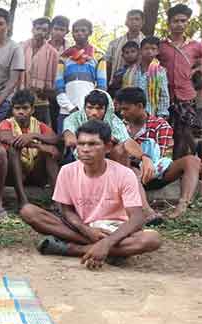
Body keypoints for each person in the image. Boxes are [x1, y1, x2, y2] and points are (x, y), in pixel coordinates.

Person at [20, 120, 161, 269]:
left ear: (107, 147)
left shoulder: (125, 174)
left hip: (114, 230)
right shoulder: (67, 171)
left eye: (93, 144)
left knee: (152, 239)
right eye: (81, 144)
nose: (85, 149)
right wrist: (87, 230)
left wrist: (107, 242)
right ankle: (112, 252)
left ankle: (75, 249)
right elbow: (67, 210)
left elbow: (137, 218)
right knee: (28, 211)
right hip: (81, 228)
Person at [63, 90, 161, 224]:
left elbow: (127, 142)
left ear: (106, 109)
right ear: (84, 107)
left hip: (111, 162)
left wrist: (145, 157)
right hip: (83, 161)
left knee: (124, 157)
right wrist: (99, 143)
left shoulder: (114, 121)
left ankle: (144, 209)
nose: (94, 112)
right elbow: (70, 140)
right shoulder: (73, 118)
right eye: (90, 107)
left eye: (99, 108)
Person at [118, 87, 200, 219]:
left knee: (192, 161)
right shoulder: (120, 126)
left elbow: (162, 159)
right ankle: (147, 211)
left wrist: (142, 160)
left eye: (126, 109)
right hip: (131, 175)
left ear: (140, 106)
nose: (122, 113)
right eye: (120, 109)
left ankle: (183, 204)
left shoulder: (160, 125)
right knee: (131, 170)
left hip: (157, 173)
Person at [0, 90, 60, 207]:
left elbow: (55, 139)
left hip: (35, 174)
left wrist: (33, 135)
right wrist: (38, 145)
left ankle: (57, 202)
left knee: (50, 152)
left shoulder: (39, 125)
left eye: (25, 108)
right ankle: (22, 200)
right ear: (12, 110)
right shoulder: (6, 124)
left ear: (32, 110)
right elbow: (6, 138)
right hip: (13, 174)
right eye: (17, 108)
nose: (21, 112)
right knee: (13, 149)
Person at [158, 4, 202, 158]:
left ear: (187, 23)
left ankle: (182, 164)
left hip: (186, 95)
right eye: (176, 21)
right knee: (166, 130)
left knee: (185, 132)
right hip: (165, 96)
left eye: (183, 21)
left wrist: (197, 70)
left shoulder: (195, 46)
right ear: (169, 23)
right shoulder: (160, 45)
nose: (180, 24)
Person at [55, 19, 107, 133]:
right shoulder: (64, 57)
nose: (79, 33)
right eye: (76, 31)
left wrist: (92, 108)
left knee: (87, 145)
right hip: (66, 111)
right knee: (66, 145)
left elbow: (102, 87)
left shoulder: (98, 56)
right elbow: (59, 86)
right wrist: (70, 107)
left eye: (83, 30)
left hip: (90, 112)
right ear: (72, 33)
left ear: (90, 32)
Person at [18, 17, 60, 126]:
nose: (40, 32)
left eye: (44, 30)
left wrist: (45, 91)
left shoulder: (53, 53)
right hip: (20, 97)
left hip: (41, 99)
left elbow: (54, 78)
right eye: (38, 29)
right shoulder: (21, 47)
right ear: (32, 30)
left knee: (41, 131)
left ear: (48, 33)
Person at [121, 37, 170, 119]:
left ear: (157, 51)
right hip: (131, 113)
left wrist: (161, 115)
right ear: (140, 51)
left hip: (151, 114)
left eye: (153, 49)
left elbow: (163, 95)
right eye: (146, 48)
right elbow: (125, 91)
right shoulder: (130, 71)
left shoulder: (160, 72)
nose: (149, 51)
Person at [106, 10, 145, 87]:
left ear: (142, 22)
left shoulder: (146, 44)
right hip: (116, 87)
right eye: (131, 19)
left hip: (139, 87)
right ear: (126, 22)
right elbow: (107, 65)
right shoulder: (114, 43)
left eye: (137, 19)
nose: (134, 21)